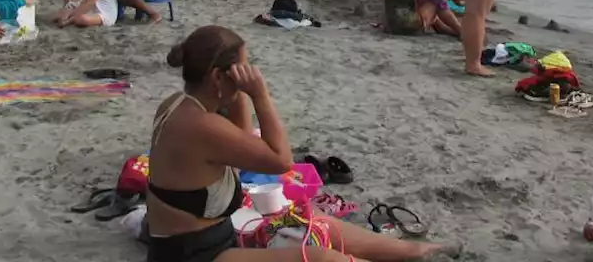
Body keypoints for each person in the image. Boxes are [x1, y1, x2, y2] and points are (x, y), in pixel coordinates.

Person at [145, 27, 449, 261]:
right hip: (195, 255)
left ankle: (414, 252)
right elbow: (280, 160)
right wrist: (260, 95)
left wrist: (238, 93)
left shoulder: (176, 104)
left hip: (212, 239)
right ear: (217, 78)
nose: (248, 76)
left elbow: (240, 141)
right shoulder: (203, 126)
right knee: (317, 258)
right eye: (242, 70)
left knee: (322, 226)